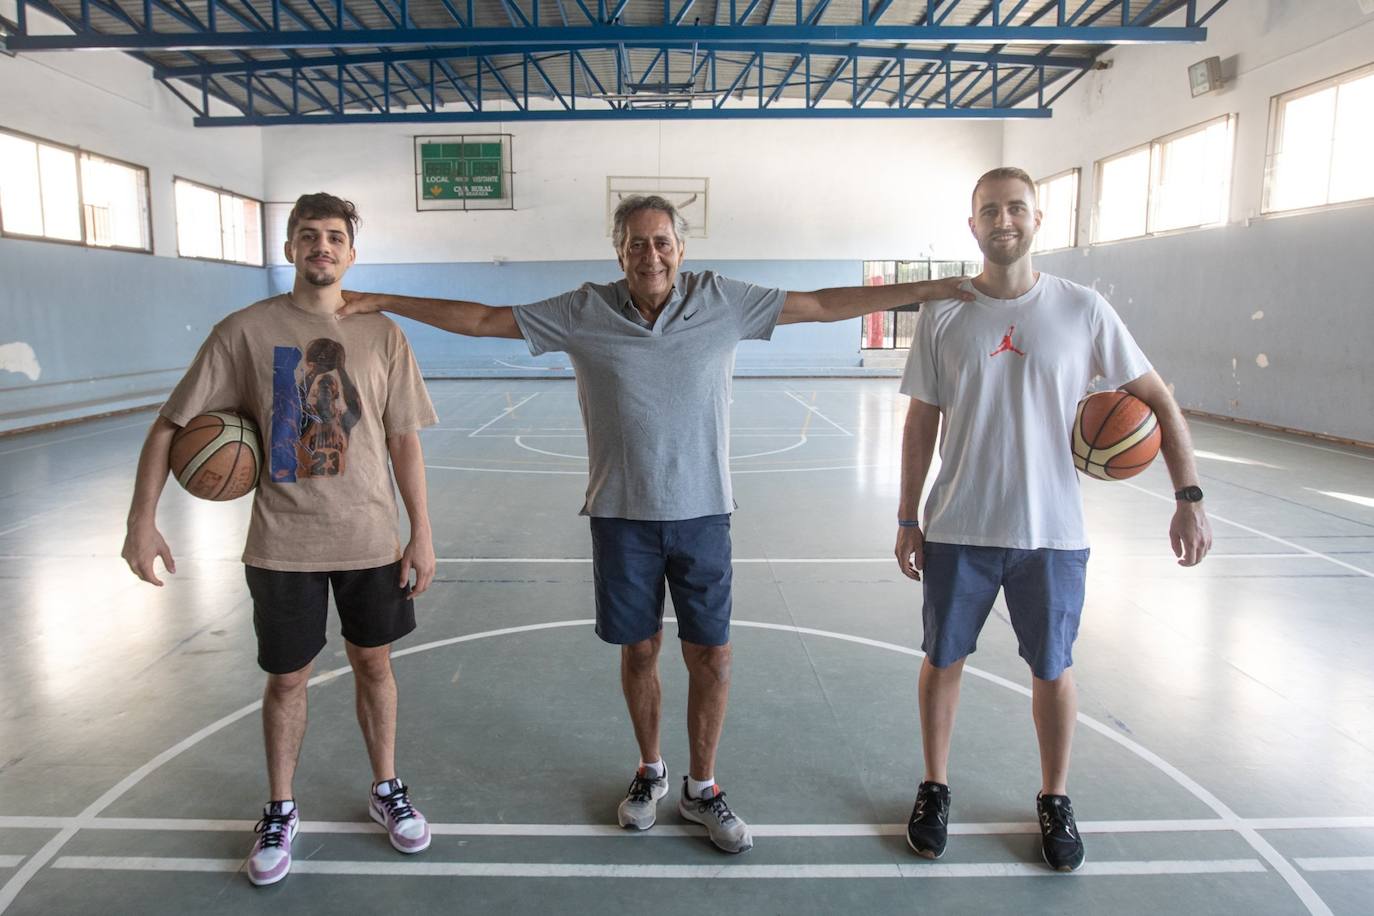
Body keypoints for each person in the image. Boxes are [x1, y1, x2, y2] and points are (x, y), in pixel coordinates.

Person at [340, 194, 971, 854]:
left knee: (714, 658)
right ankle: (651, 770)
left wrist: (931, 286)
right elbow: (483, 317)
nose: (651, 254)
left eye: (662, 241)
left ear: (682, 248)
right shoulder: (585, 311)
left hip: (704, 516)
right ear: (620, 252)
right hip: (621, 518)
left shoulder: (722, 300)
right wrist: (384, 298)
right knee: (639, 651)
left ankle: (703, 787)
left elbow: (818, 304)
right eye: (637, 243)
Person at [894, 167, 1213, 871]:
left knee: (1053, 668)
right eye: (989, 210)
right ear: (971, 224)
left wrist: (1187, 496)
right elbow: (921, 421)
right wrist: (907, 515)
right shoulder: (943, 312)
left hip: (1053, 535)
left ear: (1038, 219)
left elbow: (1158, 399)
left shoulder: (1083, 308)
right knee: (942, 661)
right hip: (957, 527)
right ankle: (935, 786)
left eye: (1016, 208)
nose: (1003, 220)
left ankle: (1055, 797)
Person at [121, 193, 439, 886]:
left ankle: (386, 787)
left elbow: (403, 439)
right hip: (282, 544)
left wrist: (421, 533)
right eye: (307, 236)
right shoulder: (244, 330)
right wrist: (141, 520)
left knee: (375, 668)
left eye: (334, 237)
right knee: (287, 679)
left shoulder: (384, 334)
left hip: (372, 540)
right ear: (291, 249)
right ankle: (280, 806)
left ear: (351, 254)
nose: (321, 246)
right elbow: (171, 424)